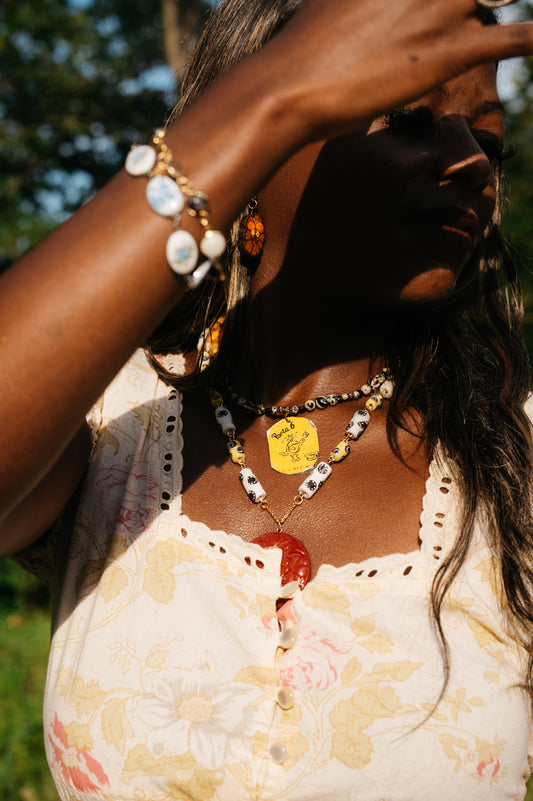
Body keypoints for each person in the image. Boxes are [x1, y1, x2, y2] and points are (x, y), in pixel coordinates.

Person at [3, 0, 533, 797]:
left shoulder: (511, 459)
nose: (470, 164)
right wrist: (268, 96)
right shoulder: (113, 425)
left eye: (487, 138)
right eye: (410, 117)